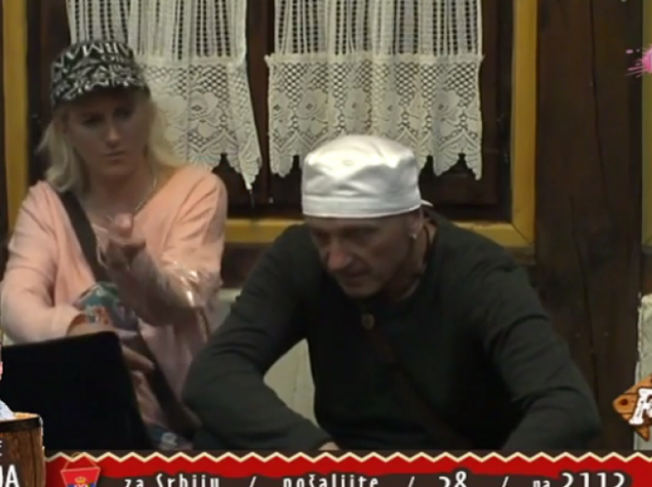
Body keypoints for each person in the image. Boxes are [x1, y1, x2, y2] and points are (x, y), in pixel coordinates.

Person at [183, 134, 601, 450]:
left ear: (414, 219)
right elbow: (214, 375)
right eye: (322, 236)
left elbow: (567, 408)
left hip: (457, 479)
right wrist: (318, 456)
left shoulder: (480, 276)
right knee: (215, 443)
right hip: (350, 472)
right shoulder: (300, 258)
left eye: (360, 235)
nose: (336, 259)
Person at [0, 40, 228, 450]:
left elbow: (180, 300)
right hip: (82, 418)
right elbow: (16, 302)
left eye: (124, 114)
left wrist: (136, 264)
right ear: (65, 129)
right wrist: (82, 335)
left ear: (148, 112)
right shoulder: (46, 204)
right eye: (92, 121)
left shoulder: (197, 190)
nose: (113, 136)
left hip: (182, 423)